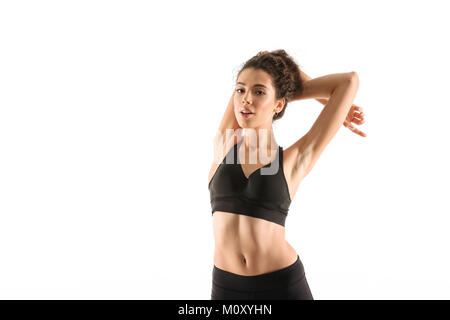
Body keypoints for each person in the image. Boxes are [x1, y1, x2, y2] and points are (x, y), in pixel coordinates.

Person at [207, 49, 365, 300]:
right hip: (227, 287)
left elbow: (348, 81)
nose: (246, 99)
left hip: (281, 285)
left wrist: (289, 92)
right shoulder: (225, 144)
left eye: (259, 92)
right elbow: (264, 55)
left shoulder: (293, 160)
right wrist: (276, 92)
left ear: (279, 104)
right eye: (240, 90)